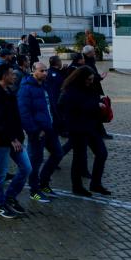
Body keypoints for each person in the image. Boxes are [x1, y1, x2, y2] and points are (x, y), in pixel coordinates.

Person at [0, 63, 31, 219]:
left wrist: (19, 135)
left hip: (15, 138)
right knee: (1, 172)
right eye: (12, 74)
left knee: (26, 168)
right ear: (4, 76)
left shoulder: (10, 91)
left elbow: (14, 116)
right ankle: (0, 204)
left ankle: (10, 197)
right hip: (1, 140)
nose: (14, 76)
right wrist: (12, 138)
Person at [58, 67, 110, 197]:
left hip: (91, 126)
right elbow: (74, 106)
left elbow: (92, 100)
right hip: (77, 128)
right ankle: (77, 186)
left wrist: (100, 104)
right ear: (82, 78)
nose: (91, 82)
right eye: (89, 79)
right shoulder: (70, 91)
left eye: (92, 79)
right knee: (79, 158)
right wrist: (95, 105)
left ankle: (95, 184)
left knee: (102, 153)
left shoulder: (90, 87)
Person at [18, 62, 63, 203]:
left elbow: (50, 106)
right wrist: (34, 130)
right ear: (33, 71)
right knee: (35, 160)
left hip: (49, 128)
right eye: (42, 71)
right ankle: (34, 190)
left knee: (58, 153)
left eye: (46, 70)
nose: (45, 73)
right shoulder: (26, 89)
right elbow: (24, 113)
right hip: (37, 131)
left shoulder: (44, 85)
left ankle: (44, 183)